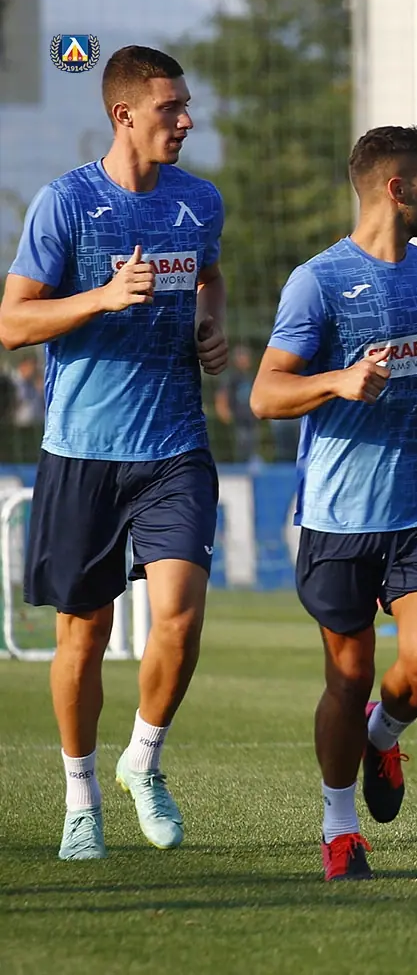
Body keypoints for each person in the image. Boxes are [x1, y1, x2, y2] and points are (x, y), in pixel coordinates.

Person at [0, 45, 228, 861]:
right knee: (83, 635)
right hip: (83, 451)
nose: (186, 120)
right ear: (124, 115)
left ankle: (144, 759)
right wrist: (100, 296)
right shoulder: (66, 203)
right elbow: (12, 322)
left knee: (180, 614)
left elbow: (208, 276)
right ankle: (81, 797)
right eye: (171, 108)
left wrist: (209, 322)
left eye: (186, 104)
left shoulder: (200, 201)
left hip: (175, 445)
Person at [249, 125, 417, 881]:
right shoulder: (317, 281)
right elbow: (265, 394)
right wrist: (337, 381)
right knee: (347, 682)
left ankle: (383, 736)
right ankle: (339, 827)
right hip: (339, 515)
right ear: (396, 189)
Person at [214, 343, 259, 464]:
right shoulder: (231, 377)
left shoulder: (250, 376)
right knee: (241, 446)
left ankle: (250, 463)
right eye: (244, 357)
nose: (247, 360)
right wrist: (223, 411)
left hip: (251, 419)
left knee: (251, 445)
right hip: (238, 420)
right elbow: (222, 395)